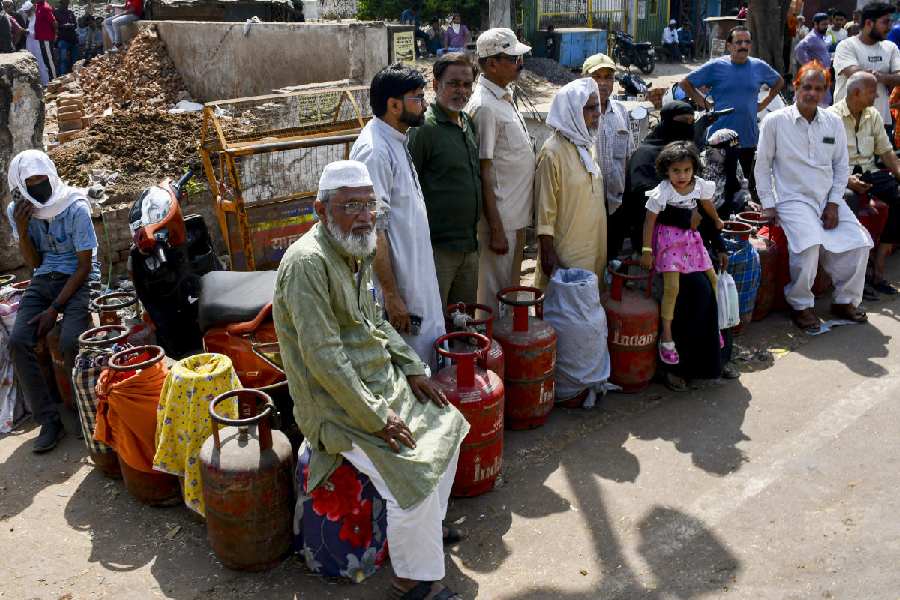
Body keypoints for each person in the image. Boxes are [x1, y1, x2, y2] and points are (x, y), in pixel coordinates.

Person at [272, 160, 469, 600]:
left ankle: (427, 535)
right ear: (320, 210)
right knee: (411, 473)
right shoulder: (307, 263)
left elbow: (375, 323)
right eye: (350, 206)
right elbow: (324, 360)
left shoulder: (354, 247)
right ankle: (412, 582)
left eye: (370, 205)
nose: (364, 216)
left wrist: (413, 369)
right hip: (335, 406)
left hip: (378, 383)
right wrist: (378, 416)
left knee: (449, 424)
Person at [755, 62, 872, 330]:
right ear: (796, 87)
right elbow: (762, 167)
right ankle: (801, 305)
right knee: (809, 245)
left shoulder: (832, 122)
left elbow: (842, 167)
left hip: (826, 197)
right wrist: (768, 205)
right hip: (791, 198)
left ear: (826, 92)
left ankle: (844, 301)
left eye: (819, 88)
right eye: (807, 87)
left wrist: (833, 203)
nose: (812, 93)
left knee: (860, 242)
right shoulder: (775, 121)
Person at [349, 64, 445, 369]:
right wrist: (392, 295)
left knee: (425, 355)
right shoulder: (375, 151)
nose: (426, 104)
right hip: (401, 284)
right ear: (393, 105)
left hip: (416, 273)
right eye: (418, 98)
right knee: (409, 365)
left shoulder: (396, 139)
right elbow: (372, 230)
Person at [6, 150, 99, 453]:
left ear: (51, 175)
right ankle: (49, 420)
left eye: (40, 180)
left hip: (78, 277)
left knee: (71, 341)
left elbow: (84, 265)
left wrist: (54, 309)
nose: (37, 187)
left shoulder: (75, 207)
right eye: (29, 183)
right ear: (20, 186)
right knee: (19, 341)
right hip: (45, 276)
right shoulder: (19, 211)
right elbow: (34, 265)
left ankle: (87, 413)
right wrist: (22, 230)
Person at [465, 28, 535, 314]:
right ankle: (489, 354)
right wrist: (495, 228)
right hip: (499, 221)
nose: (520, 64)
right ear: (492, 63)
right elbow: (484, 169)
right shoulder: (484, 106)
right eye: (513, 58)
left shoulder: (501, 97)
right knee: (492, 298)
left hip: (513, 217)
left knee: (509, 291)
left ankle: (504, 349)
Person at [408, 53, 481, 310]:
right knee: (435, 325)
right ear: (436, 85)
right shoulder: (424, 129)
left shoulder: (467, 123)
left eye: (466, 84)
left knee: (464, 324)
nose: (461, 90)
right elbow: (408, 190)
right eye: (453, 83)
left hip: (469, 247)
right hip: (437, 251)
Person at [640, 142, 723, 365]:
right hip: (668, 241)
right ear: (666, 170)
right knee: (672, 288)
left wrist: (716, 220)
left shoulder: (699, 186)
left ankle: (714, 328)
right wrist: (647, 250)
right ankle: (667, 338)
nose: (682, 175)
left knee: (713, 280)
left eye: (687, 170)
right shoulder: (663, 191)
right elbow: (650, 220)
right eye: (676, 170)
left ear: (694, 169)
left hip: (690, 240)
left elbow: (707, 205)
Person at [681, 26, 784, 197]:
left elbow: (779, 82)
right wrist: (703, 103)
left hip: (748, 139)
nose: (743, 45)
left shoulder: (759, 66)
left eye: (747, 42)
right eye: (738, 42)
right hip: (718, 140)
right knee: (716, 190)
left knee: (744, 189)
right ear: (729, 46)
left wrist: (763, 103)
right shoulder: (716, 66)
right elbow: (686, 83)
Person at [829, 71, 900, 296]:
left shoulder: (873, 115)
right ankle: (853, 278)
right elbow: (824, 161)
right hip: (842, 175)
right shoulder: (831, 117)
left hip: (869, 173)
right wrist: (847, 179)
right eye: (872, 92)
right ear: (857, 93)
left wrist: (899, 172)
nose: (877, 97)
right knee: (850, 202)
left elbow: (887, 152)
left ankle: (879, 264)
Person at [534, 78, 606, 288]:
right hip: (567, 252)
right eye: (590, 108)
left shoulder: (586, 146)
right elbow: (544, 210)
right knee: (564, 308)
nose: (597, 113)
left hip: (593, 245)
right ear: (572, 111)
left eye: (597, 106)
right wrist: (547, 251)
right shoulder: (552, 153)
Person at [622, 100, 699, 254]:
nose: (688, 126)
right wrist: (684, 217)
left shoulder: (685, 154)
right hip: (652, 240)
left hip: (685, 235)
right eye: (683, 122)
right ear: (667, 122)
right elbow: (643, 200)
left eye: (692, 122)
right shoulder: (645, 155)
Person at [582, 53, 633, 258]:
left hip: (616, 200)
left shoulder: (621, 111)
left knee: (612, 252)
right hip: (586, 203)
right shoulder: (576, 113)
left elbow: (628, 156)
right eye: (597, 77)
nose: (603, 83)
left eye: (608, 77)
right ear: (584, 79)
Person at [833, 2, 900, 139]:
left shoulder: (890, 47)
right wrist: (887, 77)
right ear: (869, 23)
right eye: (885, 22)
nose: (889, 27)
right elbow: (857, 77)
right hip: (848, 122)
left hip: (881, 122)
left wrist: (879, 76)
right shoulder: (846, 46)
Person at [700, 128, 751, 217]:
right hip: (707, 212)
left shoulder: (732, 159)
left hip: (727, 207)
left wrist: (747, 201)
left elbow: (742, 183)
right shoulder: (704, 163)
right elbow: (711, 200)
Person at [794, 13, 832, 105]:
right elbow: (799, 49)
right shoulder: (812, 37)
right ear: (815, 24)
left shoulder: (822, 37)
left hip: (824, 74)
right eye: (823, 24)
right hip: (815, 75)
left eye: (827, 24)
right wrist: (809, 66)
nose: (826, 27)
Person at [26, 0, 56, 85]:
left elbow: (54, 22)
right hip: (41, 39)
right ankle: (51, 82)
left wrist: (55, 34)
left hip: (46, 39)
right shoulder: (38, 7)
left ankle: (54, 82)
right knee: (46, 61)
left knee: (49, 61)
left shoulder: (45, 7)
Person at [54, 0, 77, 75]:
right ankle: (62, 76)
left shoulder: (70, 12)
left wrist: (71, 25)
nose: (67, 4)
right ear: (61, 2)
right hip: (63, 39)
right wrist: (63, 26)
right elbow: (54, 26)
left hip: (73, 39)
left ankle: (75, 74)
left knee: (75, 60)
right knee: (63, 60)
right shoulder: (56, 13)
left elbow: (75, 24)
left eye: (68, 2)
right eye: (65, 2)